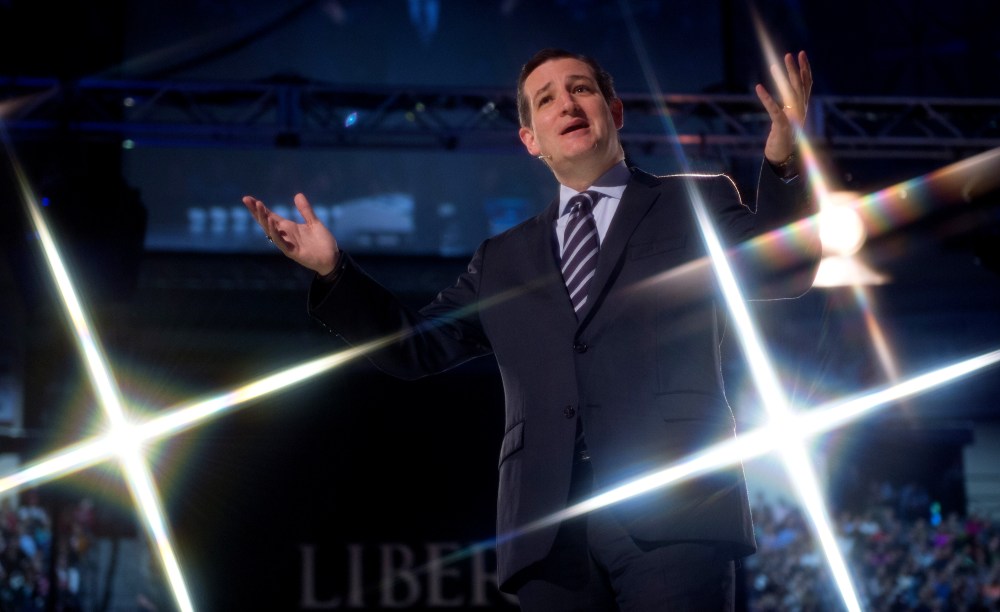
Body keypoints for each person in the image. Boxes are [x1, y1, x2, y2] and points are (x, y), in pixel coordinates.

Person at [243, 47, 820, 611]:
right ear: (530, 141)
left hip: (678, 508)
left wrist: (785, 162)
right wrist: (334, 272)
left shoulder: (695, 199)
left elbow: (786, 268)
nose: (566, 103)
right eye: (546, 99)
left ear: (613, 112)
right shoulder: (502, 260)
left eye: (581, 89)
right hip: (548, 533)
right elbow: (415, 349)